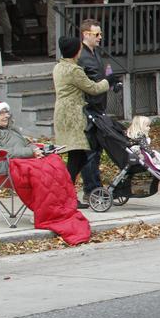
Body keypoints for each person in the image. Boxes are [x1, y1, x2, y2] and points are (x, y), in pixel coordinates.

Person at [53, 36, 110, 207]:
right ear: (76, 51)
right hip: (74, 115)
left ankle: (67, 195)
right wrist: (109, 81)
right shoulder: (74, 70)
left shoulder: (58, 67)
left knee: (78, 155)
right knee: (78, 155)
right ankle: (66, 196)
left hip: (62, 113)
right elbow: (93, 88)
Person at [78, 19, 119, 199]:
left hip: (99, 107)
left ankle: (94, 187)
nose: (100, 37)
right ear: (86, 34)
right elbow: (86, 84)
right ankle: (91, 190)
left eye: (100, 34)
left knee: (97, 149)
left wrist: (112, 82)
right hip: (88, 109)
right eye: (97, 34)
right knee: (90, 151)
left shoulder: (95, 53)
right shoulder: (81, 56)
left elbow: (100, 77)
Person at [0, 101, 44, 171]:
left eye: (6, 112)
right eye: (1, 113)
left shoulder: (12, 129)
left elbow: (27, 143)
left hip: (23, 161)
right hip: (5, 167)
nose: (7, 115)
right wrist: (30, 152)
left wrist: (36, 150)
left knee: (53, 159)